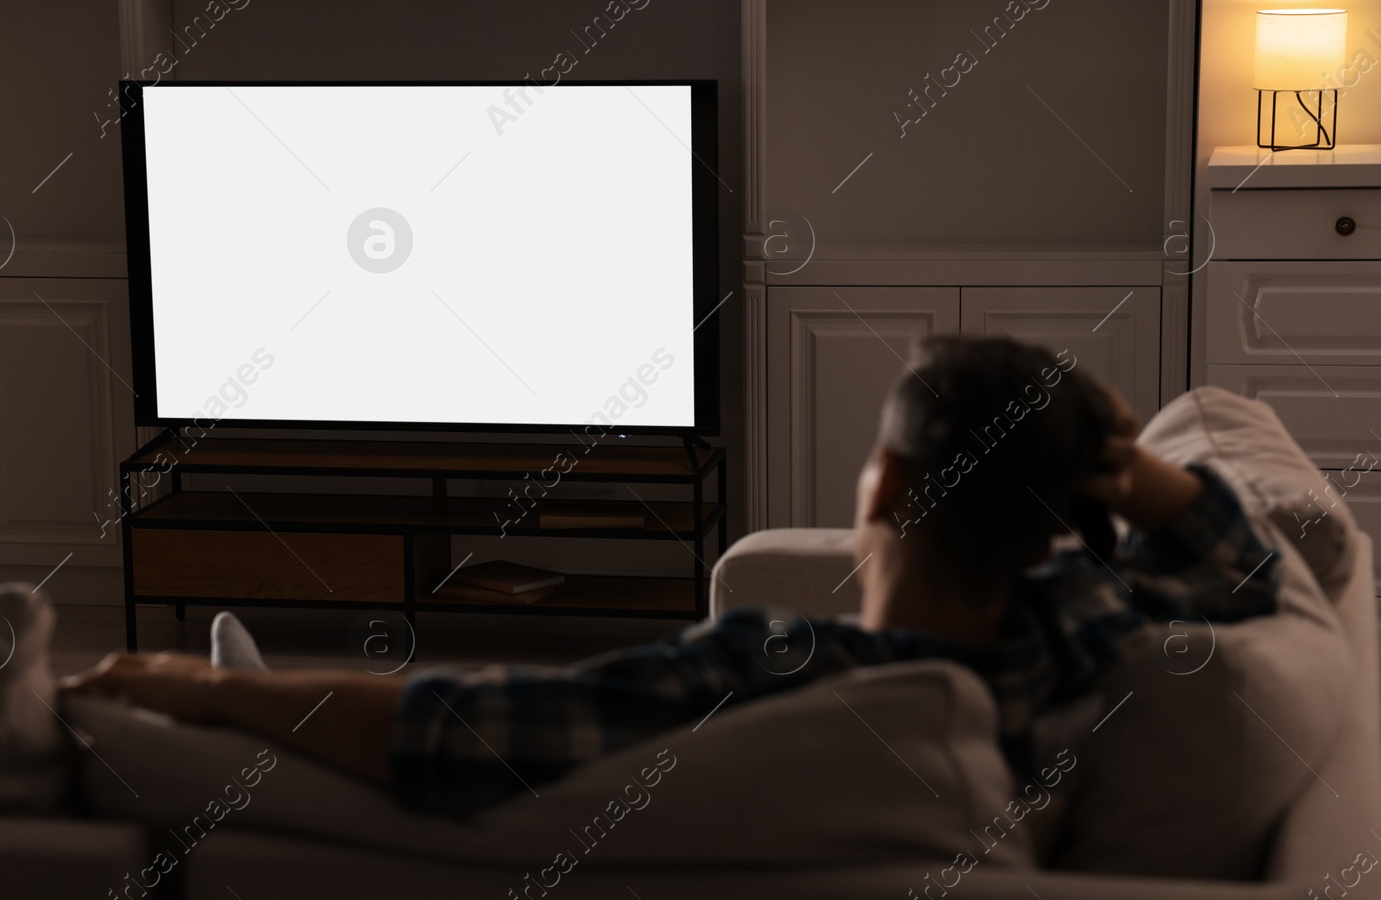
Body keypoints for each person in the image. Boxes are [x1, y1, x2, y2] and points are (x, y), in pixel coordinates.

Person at [65, 336, 1281, 817]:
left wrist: (210, 696)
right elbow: (1242, 575)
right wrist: (1113, 467)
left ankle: (260, 708)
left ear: (890, 493)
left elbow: (472, 722)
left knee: (277, 707)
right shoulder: (1084, 625)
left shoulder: (772, 670)